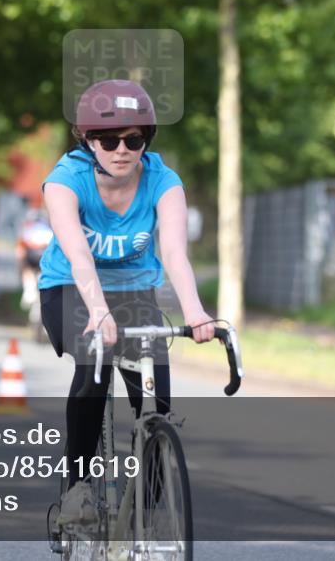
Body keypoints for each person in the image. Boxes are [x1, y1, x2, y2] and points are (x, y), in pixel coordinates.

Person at [39, 79, 215, 526]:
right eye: (108, 139)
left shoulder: (163, 181)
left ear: (147, 140)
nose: (122, 149)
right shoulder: (65, 181)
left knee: (156, 396)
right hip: (70, 288)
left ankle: (149, 504)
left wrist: (194, 312)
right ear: (88, 140)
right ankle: (77, 489)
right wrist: (97, 311)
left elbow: (174, 253)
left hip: (134, 293)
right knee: (93, 365)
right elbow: (78, 255)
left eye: (134, 139)